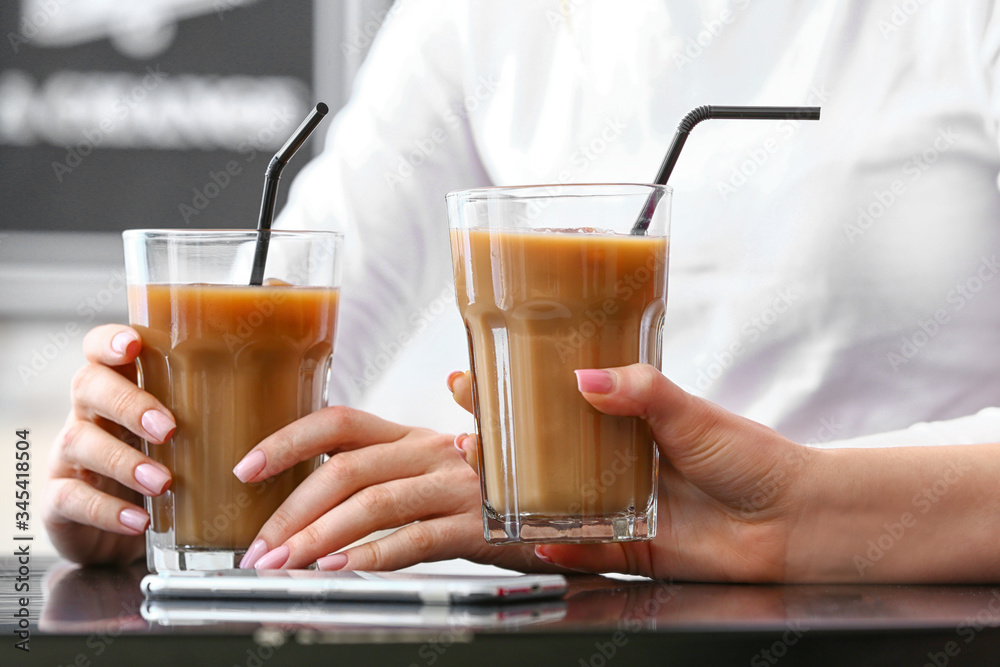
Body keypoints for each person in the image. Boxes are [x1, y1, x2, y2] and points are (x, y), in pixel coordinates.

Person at [45, 0, 1000, 581]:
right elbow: (291, 310)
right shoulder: (484, 16)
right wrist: (160, 477)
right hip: (588, 615)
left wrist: (791, 515)